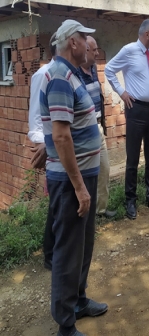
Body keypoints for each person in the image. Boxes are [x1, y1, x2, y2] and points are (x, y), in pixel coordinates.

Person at [42, 20, 108, 336]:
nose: (88, 44)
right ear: (73, 43)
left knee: (83, 245)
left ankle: (79, 301)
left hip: (83, 175)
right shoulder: (58, 76)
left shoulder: (71, 75)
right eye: (85, 38)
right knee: (68, 251)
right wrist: (80, 187)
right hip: (71, 183)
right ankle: (65, 325)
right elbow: (61, 136)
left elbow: (61, 126)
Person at [105, 19, 149, 219]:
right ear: (147, 34)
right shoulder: (129, 50)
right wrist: (121, 92)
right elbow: (109, 70)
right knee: (132, 158)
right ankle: (130, 200)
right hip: (135, 110)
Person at [28, 34, 57, 271]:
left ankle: (60, 250)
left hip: (67, 148)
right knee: (57, 204)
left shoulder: (68, 74)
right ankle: (50, 254)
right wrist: (46, 145)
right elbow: (35, 124)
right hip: (53, 149)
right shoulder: (42, 75)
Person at [79, 36, 116, 219]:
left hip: (98, 128)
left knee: (104, 169)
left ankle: (100, 210)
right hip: (83, 132)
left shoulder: (93, 69)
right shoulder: (75, 73)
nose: (97, 53)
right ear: (84, 50)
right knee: (85, 175)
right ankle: (84, 213)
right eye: (93, 50)